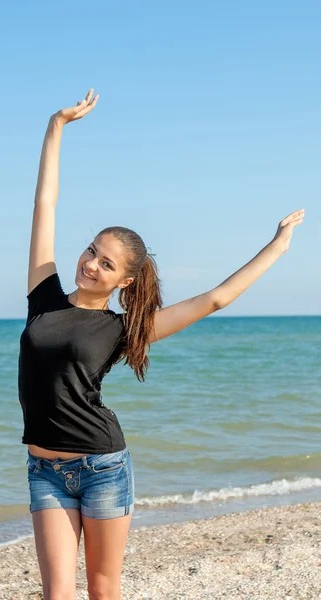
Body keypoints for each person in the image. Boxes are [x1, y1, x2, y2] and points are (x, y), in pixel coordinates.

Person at [18, 88, 305, 600]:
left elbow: (214, 299)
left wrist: (277, 245)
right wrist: (55, 126)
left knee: (103, 591)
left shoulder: (125, 328)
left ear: (123, 282)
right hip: (44, 469)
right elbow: (46, 202)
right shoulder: (43, 295)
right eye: (91, 251)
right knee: (55, 595)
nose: (91, 264)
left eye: (107, 263)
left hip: (102, 465)